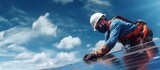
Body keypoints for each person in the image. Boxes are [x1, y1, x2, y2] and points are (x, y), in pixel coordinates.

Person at [83, 12, 153, 61]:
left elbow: (111, 42)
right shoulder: (107, 33)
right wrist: (92, 54)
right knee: (130, 62)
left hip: (144, 36)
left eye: (98, 27)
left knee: (149, 59)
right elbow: (106, 46)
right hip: (135, 43)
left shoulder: (115, 23)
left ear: (103, 21)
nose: (99, 29)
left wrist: (96, 54)